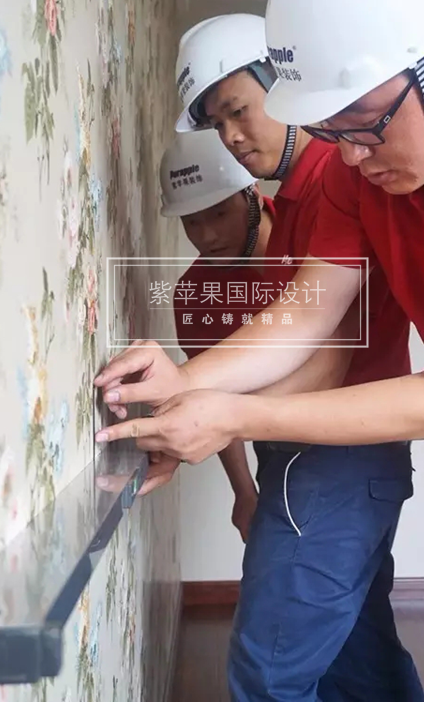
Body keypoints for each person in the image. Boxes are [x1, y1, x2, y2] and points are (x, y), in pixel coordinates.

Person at [95, 0, 424, 700]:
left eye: (366, 128)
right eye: (334, 135)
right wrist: (183, 383)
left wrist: (231, 415)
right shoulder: (356, 171)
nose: (353, 158)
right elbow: (307, 312)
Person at [101, 13, 424, 701]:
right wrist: (190, 397)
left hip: (334, 461)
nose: (231, 136)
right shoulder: (298, 202)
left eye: (238, 111)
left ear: (284, 83)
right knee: (361, 660)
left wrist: (207, 407)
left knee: (268, 674)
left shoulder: (337, 184)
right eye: (216, 124)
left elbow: (325, 357)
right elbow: (295, 331)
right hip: (310, 458)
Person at [160, 128, 275, 541]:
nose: (207, 235)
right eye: (192, 222)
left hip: (363, 428)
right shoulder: (196, 296)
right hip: (277, 446)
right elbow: (212, 397)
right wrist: (244, 492)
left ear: (252, 194)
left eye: (220, 214)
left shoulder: (315, 239)